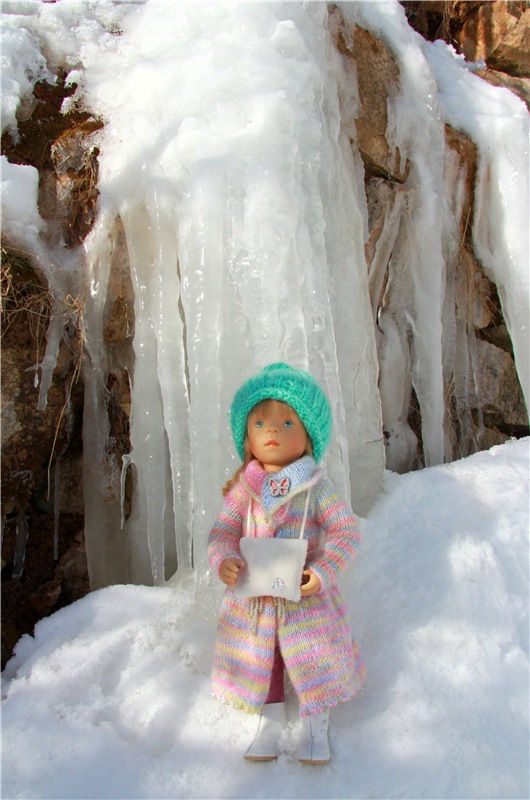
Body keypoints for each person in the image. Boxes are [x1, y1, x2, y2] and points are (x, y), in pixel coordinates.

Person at [208, 363, 365, 764]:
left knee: (316, 657)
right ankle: (270, 722)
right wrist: (224, 559)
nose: (272, 431)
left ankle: (317, 727)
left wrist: (323, 573)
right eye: (260, 422)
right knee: (265, 659)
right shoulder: (246, 487)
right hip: (255, 597)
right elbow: (222, 533)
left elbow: (346, 533)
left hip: (304, 595)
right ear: (247, 438)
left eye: (286, 422)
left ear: (309, 435)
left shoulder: (316, 484)